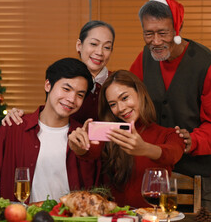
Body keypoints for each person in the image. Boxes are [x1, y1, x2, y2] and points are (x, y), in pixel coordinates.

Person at [129, 0, 211, 212]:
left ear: (178, 29)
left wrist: (191, 141)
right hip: (161, 166)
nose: (155, 42)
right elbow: (130, 100)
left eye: (163, 33)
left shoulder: (207, 65)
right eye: (148, 34)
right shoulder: (144, 58)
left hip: (205, 171)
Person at [0, 57, 98, 203]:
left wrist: (83, 152)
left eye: (80, 95)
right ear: (48, 85)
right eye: (66, 89)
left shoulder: (84, 135)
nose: (72, 99)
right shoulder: (14, 126)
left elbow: (95, 191)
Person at [68, 70, 185, 208]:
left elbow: (172, 154)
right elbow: (90, 152)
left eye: (124, 98)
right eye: (113, 104)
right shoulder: (109, 133)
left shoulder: (169, 134)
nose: (121, 108)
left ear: (140, 93)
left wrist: (145, 149)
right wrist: (78, 146)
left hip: (152, 217)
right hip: (116, 217)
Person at [1, 20, 115, 126]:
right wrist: (18, 116)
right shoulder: (62, 75)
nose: (99, 52)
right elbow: (48, 115)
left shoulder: (116, 84)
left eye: (106, 47)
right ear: (79, 45)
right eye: (94, 44)